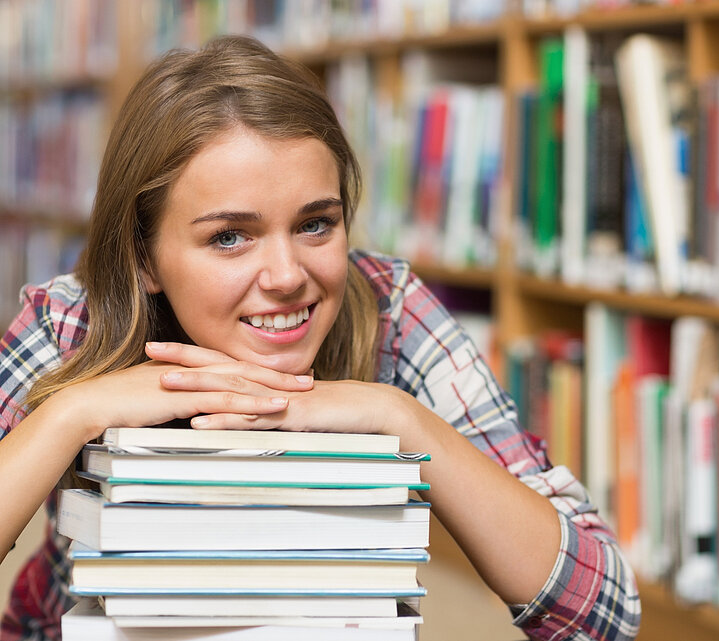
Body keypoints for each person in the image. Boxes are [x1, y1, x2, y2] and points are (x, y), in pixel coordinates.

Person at [0, 35, 640, 641]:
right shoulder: (71, 323)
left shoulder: (387, 309)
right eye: (230, 236)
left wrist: (399, 417)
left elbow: (606, 613)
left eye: (315, 224)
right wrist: (74, 411)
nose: (286, 278)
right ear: (143, 259)